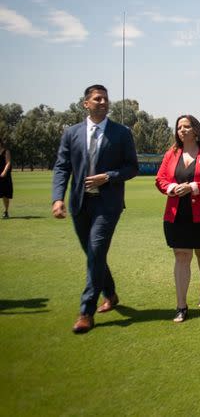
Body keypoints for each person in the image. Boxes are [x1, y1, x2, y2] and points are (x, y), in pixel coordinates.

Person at [51, 84, 138, 333]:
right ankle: (110, 293)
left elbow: (131, 167)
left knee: (97, 249)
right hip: (80, 203)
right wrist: (57, 198)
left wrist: (108, 176)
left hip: (107, 204)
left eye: (105, 99)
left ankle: (85, 312)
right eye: (97, 99)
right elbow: (61, 167)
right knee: (93, 254)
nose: (103, 102)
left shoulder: (121, 133)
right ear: (86, 103)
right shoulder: (71, 133)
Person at [155, 115, 200, 323]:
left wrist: (193, 187)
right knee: (181, 256)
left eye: (187, 126)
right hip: (177, 214)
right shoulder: (171, 154)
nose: (182, 130)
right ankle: (181, 306)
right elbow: (160, 179)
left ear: (196, 130)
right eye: (179, 127)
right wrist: (170, 188)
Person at [0, 140, 12, 219]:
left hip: (4, 176)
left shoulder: (6, 151)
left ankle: (6, 211)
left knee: (5, 195)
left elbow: (8, 162)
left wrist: (4, 172)